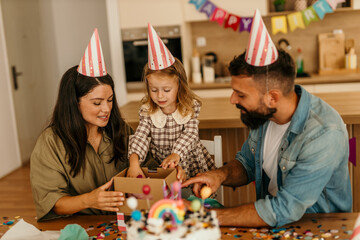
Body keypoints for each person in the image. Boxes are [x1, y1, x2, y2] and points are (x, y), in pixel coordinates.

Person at [182, 48, 352, 227]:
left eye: (241, 94)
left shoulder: (323, 133)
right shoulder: (265, 115)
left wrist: (206, 216)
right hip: (277, 225)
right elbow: (247, 163)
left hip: (319, 229)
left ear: (272, 98)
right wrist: (220, 175)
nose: (232, 100)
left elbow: (284, 209)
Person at [30, 29, 141, 221]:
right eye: (97, 103)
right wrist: (89, 200)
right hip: (80, 226)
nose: (106, 109)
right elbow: (52, 202)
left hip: (127, 223)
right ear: (74, 102)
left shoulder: (120, 129)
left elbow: (147, 168)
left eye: (110, 99)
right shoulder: (50, 143)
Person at [127, 24, 216, 184]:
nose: (160, 96)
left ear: (179, 86)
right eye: (154, 90)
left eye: (166, 90)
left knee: (194, 197)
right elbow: (140, 136)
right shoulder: (147, 111)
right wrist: (134, 162)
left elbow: (190, 134)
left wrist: (176, 154)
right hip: (162, 167)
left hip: (189, 163)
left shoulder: (189, 108)